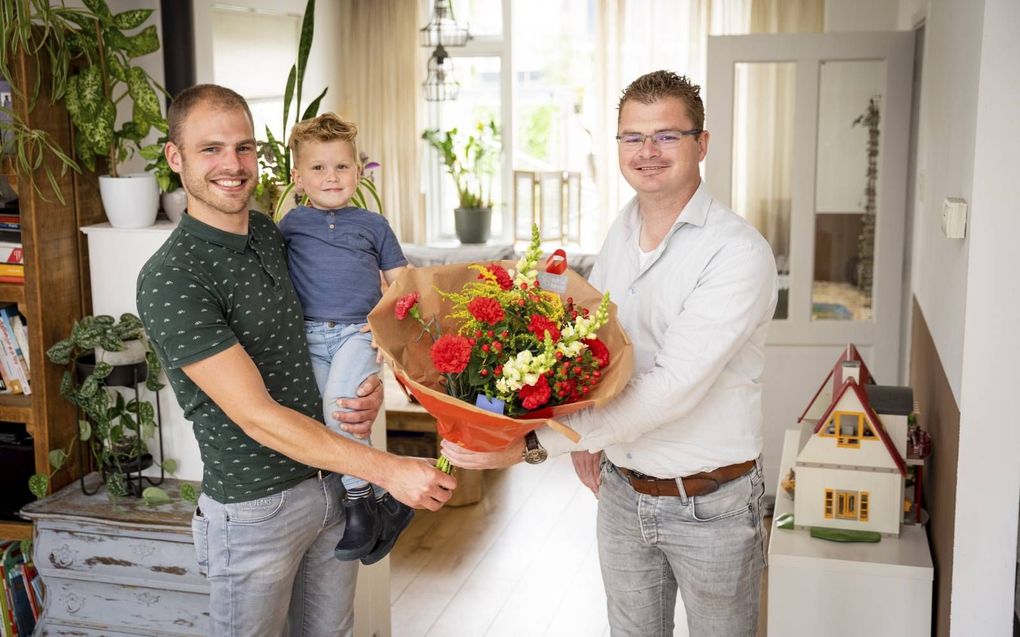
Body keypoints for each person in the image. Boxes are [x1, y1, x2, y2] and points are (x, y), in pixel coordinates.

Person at [440, 69, 778, 636]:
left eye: (667, 136)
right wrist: (584, 433)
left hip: (710, 506)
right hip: (621, 492)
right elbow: (601, 348)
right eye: (632, 137)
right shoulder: (621, 231)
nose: (647, 152)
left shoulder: (737, 253)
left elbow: (668, 391)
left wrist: (529, 447)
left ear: (702, 143)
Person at [137, 84, 457, 637]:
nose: (232, 165)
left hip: (331, 484)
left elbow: (323, 329)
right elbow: (255, 414)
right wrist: (388, 470)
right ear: (175, 157)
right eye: (210, 149)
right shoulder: (173, 277)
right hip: (256, 509)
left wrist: (368, 386)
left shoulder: (269, 233)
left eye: (242, 148)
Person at [279, 112, 412, 564]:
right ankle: (385, 501)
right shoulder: (291, 226)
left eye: (341, 166)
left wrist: (389, 332)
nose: (331, 176)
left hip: (358, 333)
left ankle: (359, 504)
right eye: (318, 167)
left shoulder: (374, 226)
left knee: (341, 409)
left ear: (358, 171)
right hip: (308, 336)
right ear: (298, 178)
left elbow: (403, 285)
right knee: (330, 421)